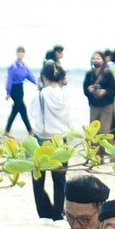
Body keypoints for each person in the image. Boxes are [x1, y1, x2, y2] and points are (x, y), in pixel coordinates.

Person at [29, 53, 75, 217]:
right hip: (61, 140)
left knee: (38, 180)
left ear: (43, 77)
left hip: (43, 140)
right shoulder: (65, 94)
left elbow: (34, 116)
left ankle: (44, 212)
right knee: (60, 180)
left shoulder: (40, 94)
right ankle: (57, 212)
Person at [83, 51, 115, 133]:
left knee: (104, 131)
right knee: (93, 132)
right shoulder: (89, 74)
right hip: (94, 106)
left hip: (106, 106)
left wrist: (105, 92)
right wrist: (89, 90)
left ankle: (103, 146)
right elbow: (85, 90)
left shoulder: (108, 73)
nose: (95, 60)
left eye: (98, 58)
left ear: (103, 60)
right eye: (93, 59)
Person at [5, 46, 38, 135]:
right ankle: (30, 130)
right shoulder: (13, 66)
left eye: (22, 52)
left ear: (24, 54)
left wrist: (38, 84)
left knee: (15, 110)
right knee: (23, 109)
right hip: (14, 90)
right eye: (19, 52)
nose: (21, 54)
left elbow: (30, 77)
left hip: (20, 89)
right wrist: (8, 92)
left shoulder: (24, 66)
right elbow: (10, 79)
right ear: (17, 54)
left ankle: (6, 131)